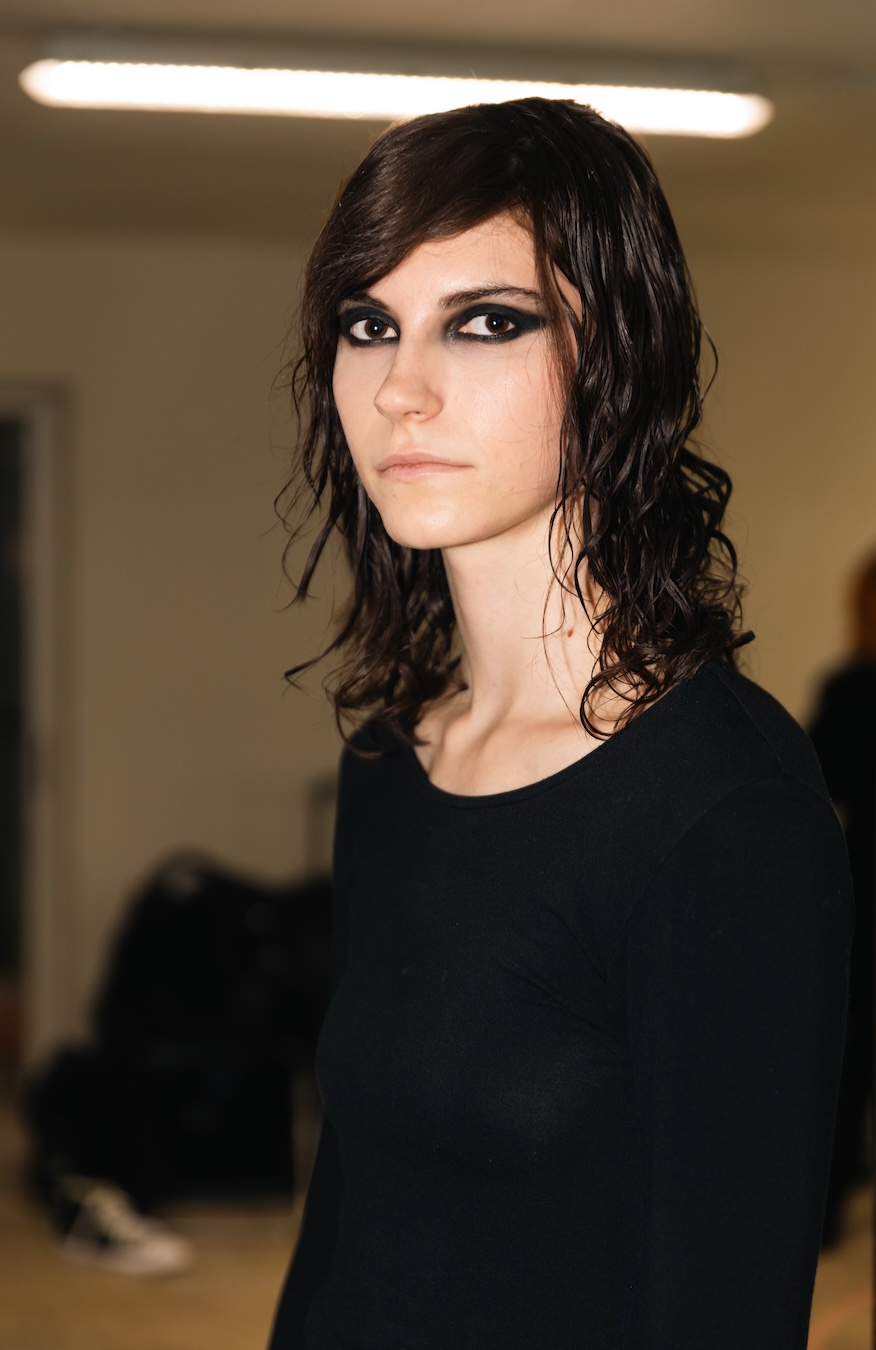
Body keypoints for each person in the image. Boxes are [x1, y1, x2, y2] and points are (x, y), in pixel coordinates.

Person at [269, 98, 853, 1350]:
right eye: (369, 325)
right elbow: (348, 1213)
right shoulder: (393, 762)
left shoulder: (724, 813)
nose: (401, 389)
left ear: (619, 356)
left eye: (486, 321)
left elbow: (728, 1310)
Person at [809, 550, 876, 1245]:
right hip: (865, 880)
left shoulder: (849, 687)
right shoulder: (848, 687)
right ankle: (831, 1201)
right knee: (851, 1047)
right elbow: (821, 777)